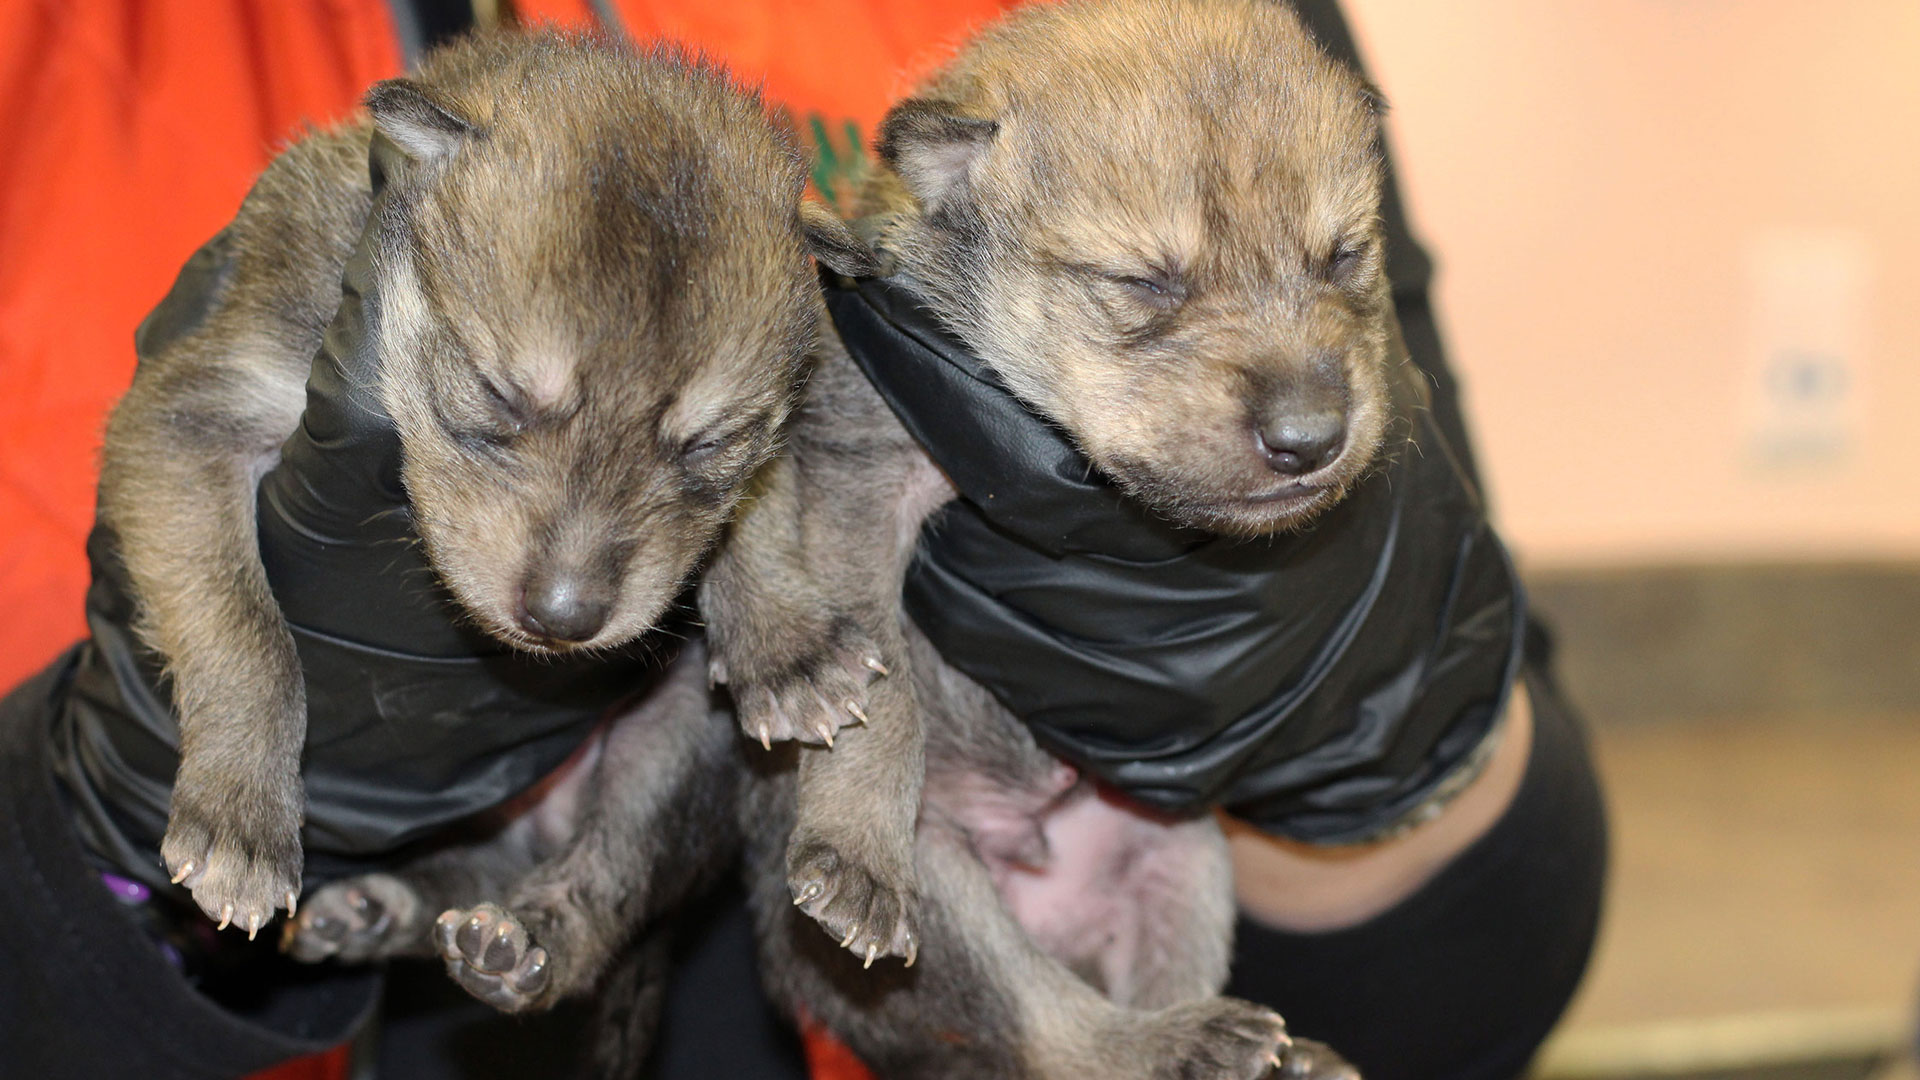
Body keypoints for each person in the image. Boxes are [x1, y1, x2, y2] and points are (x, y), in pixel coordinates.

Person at [0, 2, 1604, 1079]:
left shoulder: (1195, 55)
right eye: (1146, 289)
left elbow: (1486, 975)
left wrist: (1383, 746)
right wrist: (103, 843)